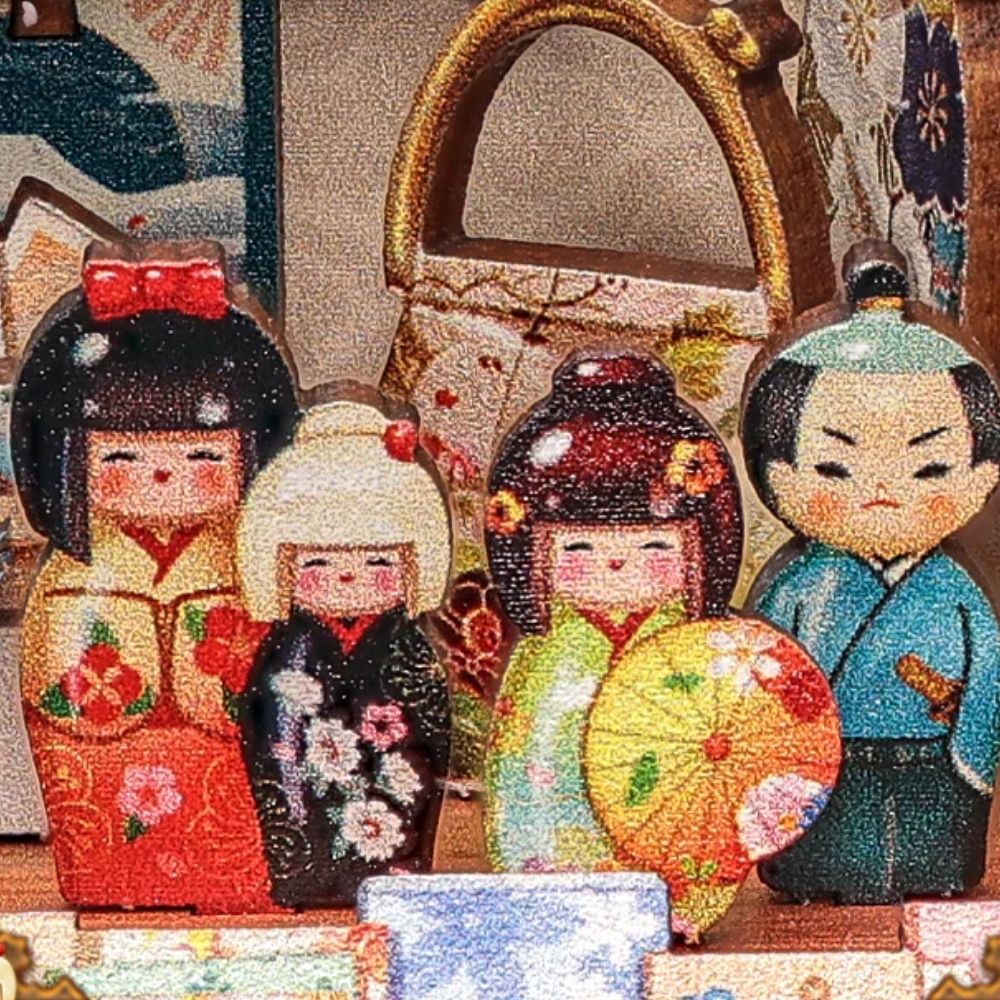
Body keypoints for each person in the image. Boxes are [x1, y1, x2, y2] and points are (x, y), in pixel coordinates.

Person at [13, 244, 299, 912]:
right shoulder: (73, 578)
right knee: (97, 809)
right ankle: (103, 877)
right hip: (105, 753)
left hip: (221, 755)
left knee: (234, 811)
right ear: (63, 460)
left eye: (204, 456)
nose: (164, 473)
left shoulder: (247, 565)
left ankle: (235, 873)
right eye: (120, 456)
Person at [742, 250, 1000, 903]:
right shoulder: (797, 588)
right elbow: (761, 675)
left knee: (933, 857)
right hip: (821, 768)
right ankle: (810, 875)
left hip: (934, 767)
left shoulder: (954, 590)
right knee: (819, 858)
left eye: (930, 469)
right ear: (777, 465)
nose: (883, 489)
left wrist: (972, 761)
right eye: (834, 469)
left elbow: (988, 676)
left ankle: (938, 872)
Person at [483, 349, 744, 871]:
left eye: (656, 547)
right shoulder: (547, 651)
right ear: (535, 557)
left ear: (699, 554)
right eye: (578, 548)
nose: (618, 562)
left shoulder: (688, 647)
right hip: (555, 789)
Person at [237, 395, 453, 907]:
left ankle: (395, 873)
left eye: (379, 561)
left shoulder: (408, 647)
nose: (349, 576)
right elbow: (274, 742)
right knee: (292, 787)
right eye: (318, 563)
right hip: (308, 816)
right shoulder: (288, 650)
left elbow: (429, 735)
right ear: (280, 566)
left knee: (406, 791)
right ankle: (304, 875)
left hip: (391, 806)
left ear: (413, 564)